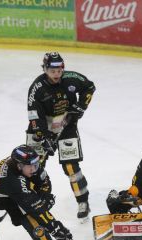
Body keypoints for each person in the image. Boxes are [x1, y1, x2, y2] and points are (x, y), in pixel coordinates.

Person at [26, 51, 96, 221]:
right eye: (52, 71)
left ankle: (83, 202)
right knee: (31, 167)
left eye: (59, 70)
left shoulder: (72, 78)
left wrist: (81, 106)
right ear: (45, 69)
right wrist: (43, 138)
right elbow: (35, 116)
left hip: (67, 125)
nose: (56, 74)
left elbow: (90, 87)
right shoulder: (37, 88)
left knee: (71, 167)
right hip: (42, 128)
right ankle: (28, 202)